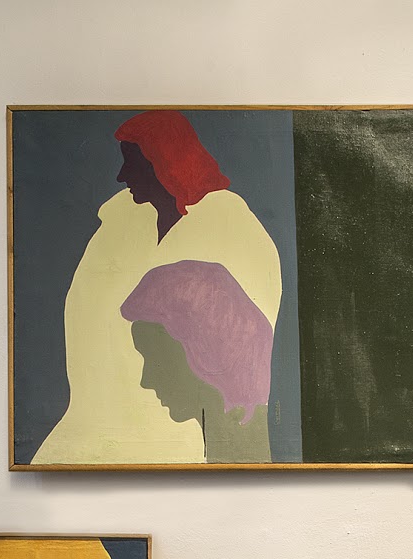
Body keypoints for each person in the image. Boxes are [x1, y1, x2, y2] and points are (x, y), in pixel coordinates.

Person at [30, 110, 281, 466]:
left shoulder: (233, 229)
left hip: (186, 431)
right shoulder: (118, 228)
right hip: (108, 424)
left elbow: (244, 343)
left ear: (161, 164)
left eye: (132, 164)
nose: (121, 176)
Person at [121, 260, 273, 464]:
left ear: (205, 354)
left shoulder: (251, 449)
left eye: (158, 362)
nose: (145, 381)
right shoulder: (240, 440)